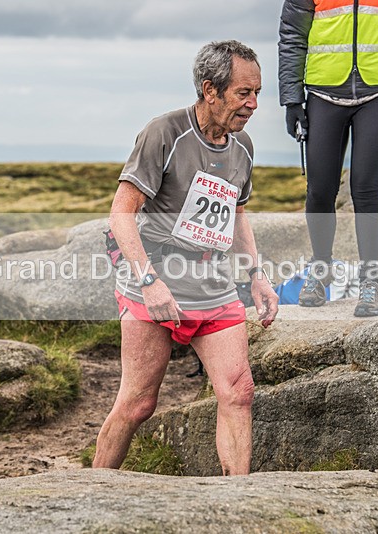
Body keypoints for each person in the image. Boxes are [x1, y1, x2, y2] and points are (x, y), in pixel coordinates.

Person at [92, 40, 279, 476]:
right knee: (138, 403)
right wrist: (148, 280)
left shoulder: (243, 145)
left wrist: (255, 275)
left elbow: (235, 212)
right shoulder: (164, 133)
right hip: (157, 281)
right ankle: (92, 488)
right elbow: (122, 214)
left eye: (258, 94)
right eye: (243, 93)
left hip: (213, 286)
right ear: (210, 89)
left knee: (239, 391)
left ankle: (239, 501)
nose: (253, 104)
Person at [278, 0, 378, 316]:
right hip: (323, 93)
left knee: (365, 187)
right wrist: (292, 99)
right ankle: (320, 270)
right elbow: (292, 36)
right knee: (320, 190)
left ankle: (371, 283)